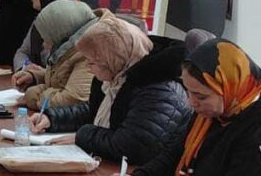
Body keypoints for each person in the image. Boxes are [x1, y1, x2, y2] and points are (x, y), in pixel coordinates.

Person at [108, 38, 261, 176]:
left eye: (201, 96)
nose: (191, 103)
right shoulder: (216, 112)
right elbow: (175, 155)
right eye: (188, 92)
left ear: (230, 88)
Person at [29, 12, 192, 164]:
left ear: (112, 60)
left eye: (92, 62)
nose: (88, 67)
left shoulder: (157, 89)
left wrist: (81, 136)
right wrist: (52, 119)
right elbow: (94, 111)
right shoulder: (117, 77)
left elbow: (131, 146)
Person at [12, 0, 82, 88]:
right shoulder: (40, 20)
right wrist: (25, 66)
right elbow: (22, 52)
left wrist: (40, 75)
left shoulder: (76, 25)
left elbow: (70, 76)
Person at [20, 0, 98, 110]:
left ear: (60, 32)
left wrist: (34, 97)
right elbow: (65, 79)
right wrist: (35, 77)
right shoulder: (70, 46)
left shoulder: (88, 53)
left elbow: (72, 100)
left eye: (48, 37)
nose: (45, 43)